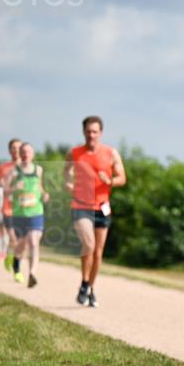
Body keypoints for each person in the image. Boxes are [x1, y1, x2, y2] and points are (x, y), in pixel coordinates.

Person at [63, 116, 126, 307]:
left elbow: (122, 177)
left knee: (98, 252)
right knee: (88, 245)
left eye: (95, 131)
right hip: (81, 205)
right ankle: (84, 283)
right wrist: (68, 183)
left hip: (102, 206)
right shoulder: (74, 153)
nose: (91, 135)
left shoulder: (111, 153)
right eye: (88, 131)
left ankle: (90, 287)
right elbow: (66, 172)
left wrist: (110, 181)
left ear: (101, 133)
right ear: (83, 132)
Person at [6, 143, 49, 287]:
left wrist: (44, 195)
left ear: (33, 154)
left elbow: (40, 187)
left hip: (36, 212)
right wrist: (13, 188)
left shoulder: (38, 170)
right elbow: (5, 191)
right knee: (21, 246)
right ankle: (16, 263)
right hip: (19, 214)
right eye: (23, 152)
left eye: (28, 152)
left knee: (33, 242)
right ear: (20, 154)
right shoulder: (13, 172)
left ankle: (32, 273)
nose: (25, 155)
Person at [0, 138, 22, 270]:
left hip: (24, 208)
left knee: (19, 240)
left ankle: (9, 256)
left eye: (19, 148)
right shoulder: (3, 167)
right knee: (10, 235)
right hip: (7, 206)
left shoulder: (27, 167)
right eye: (13, 148)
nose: (16, 151)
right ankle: (13, 264)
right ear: (10, 151)